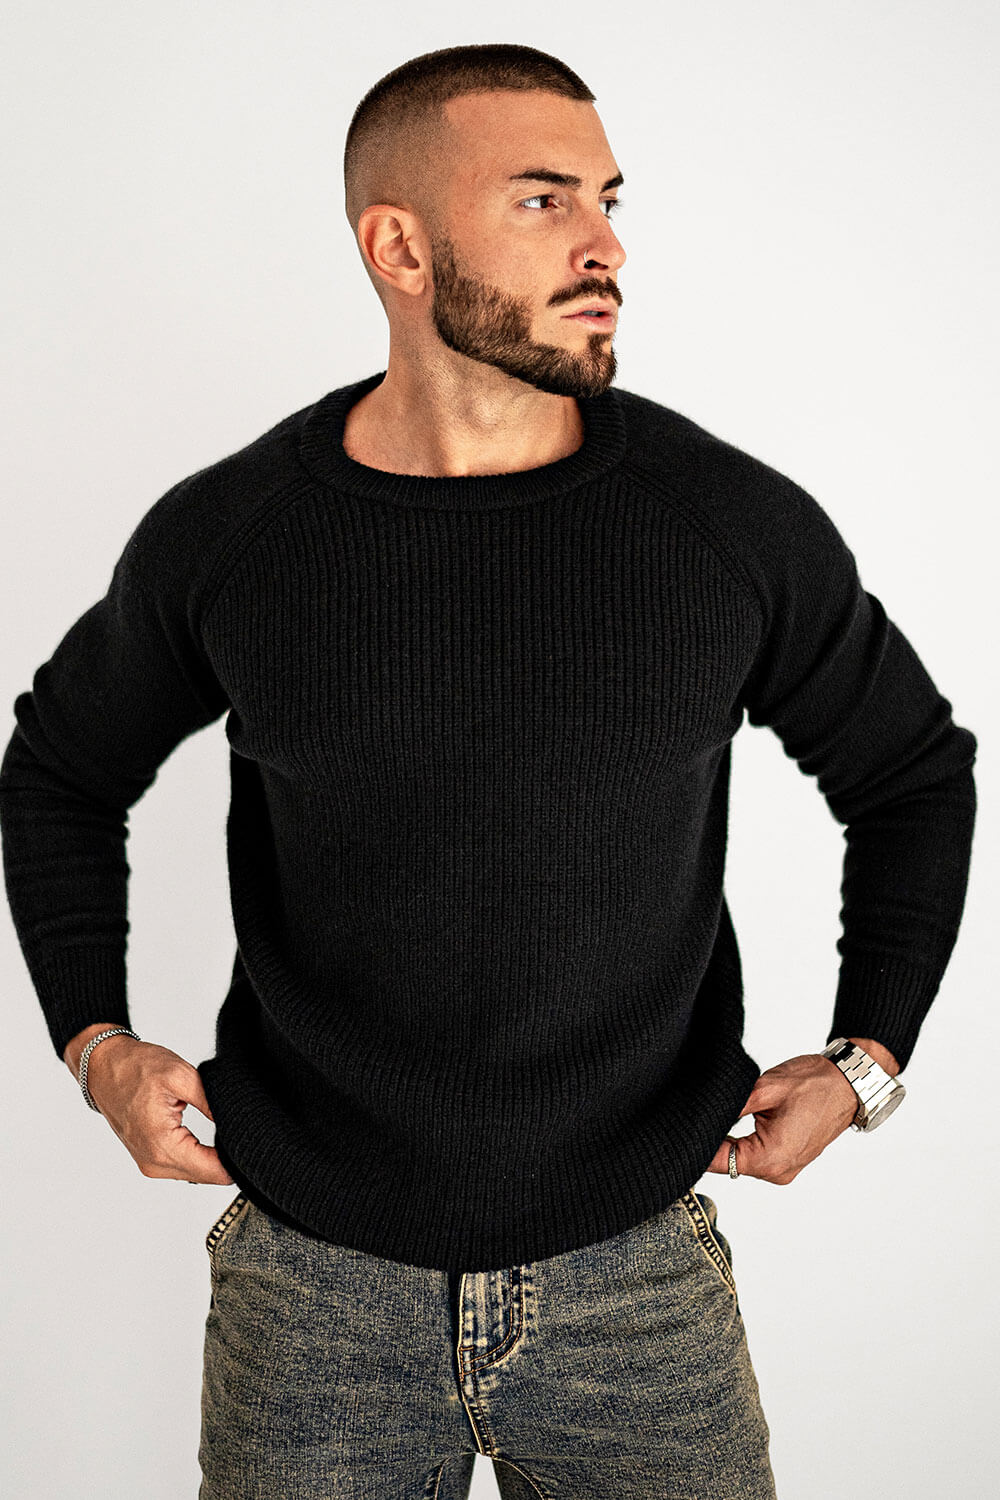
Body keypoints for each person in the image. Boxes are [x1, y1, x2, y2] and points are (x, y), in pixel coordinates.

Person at [0, 41, 977, 1500]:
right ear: (399, 249)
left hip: (640, 1276)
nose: (606, 245)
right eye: (541, 200)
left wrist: (869, 1061)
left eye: (607, 199)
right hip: (311, 1290)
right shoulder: (239, 538)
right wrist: (94, 1044)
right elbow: (61, 773)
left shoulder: (723, 527)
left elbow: (910, 773)